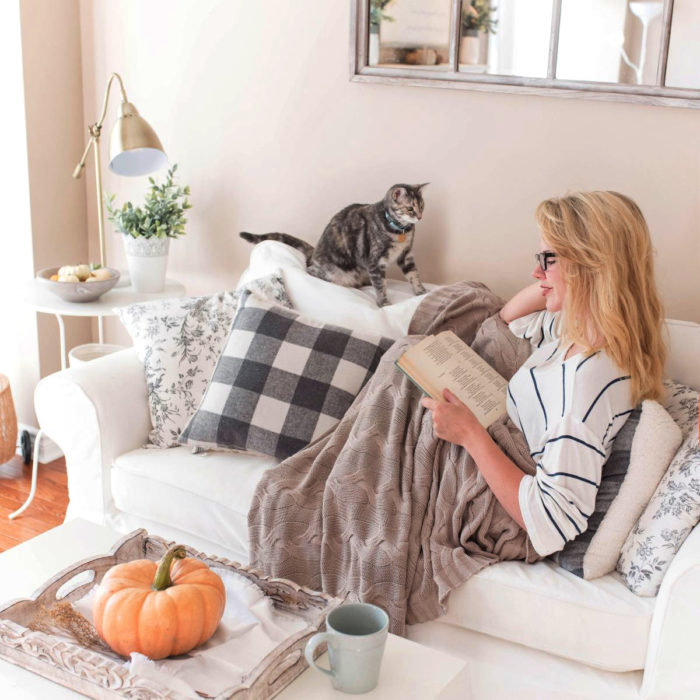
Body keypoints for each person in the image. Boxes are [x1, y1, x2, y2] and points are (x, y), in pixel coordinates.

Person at [422, 191, 666, 556]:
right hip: (493, 438)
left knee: (400, 380)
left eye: (548, 259)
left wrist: (470, 434)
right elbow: (509, 322)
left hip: (501, 509)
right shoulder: (583, 333)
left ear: (590, 265)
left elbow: (552, 523)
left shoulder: (586, 381)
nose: (536, 273)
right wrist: (557, 280)